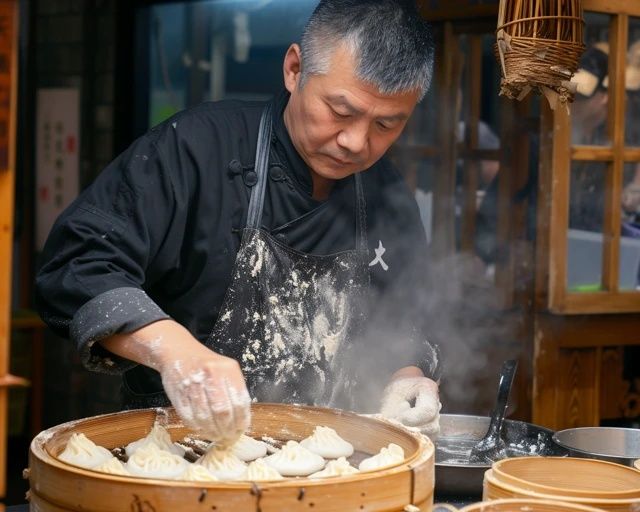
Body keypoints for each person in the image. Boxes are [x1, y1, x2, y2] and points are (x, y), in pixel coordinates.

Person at [35, 0, 441, 443]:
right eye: (340, 112)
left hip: (334, 464)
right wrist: (176, 352)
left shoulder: (386, 192)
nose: (355, 142)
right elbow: (76, 266)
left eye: (386, 124)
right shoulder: (195, 150)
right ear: (294, 69)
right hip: (180, 458)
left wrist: (408, 376)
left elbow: (405, 318)